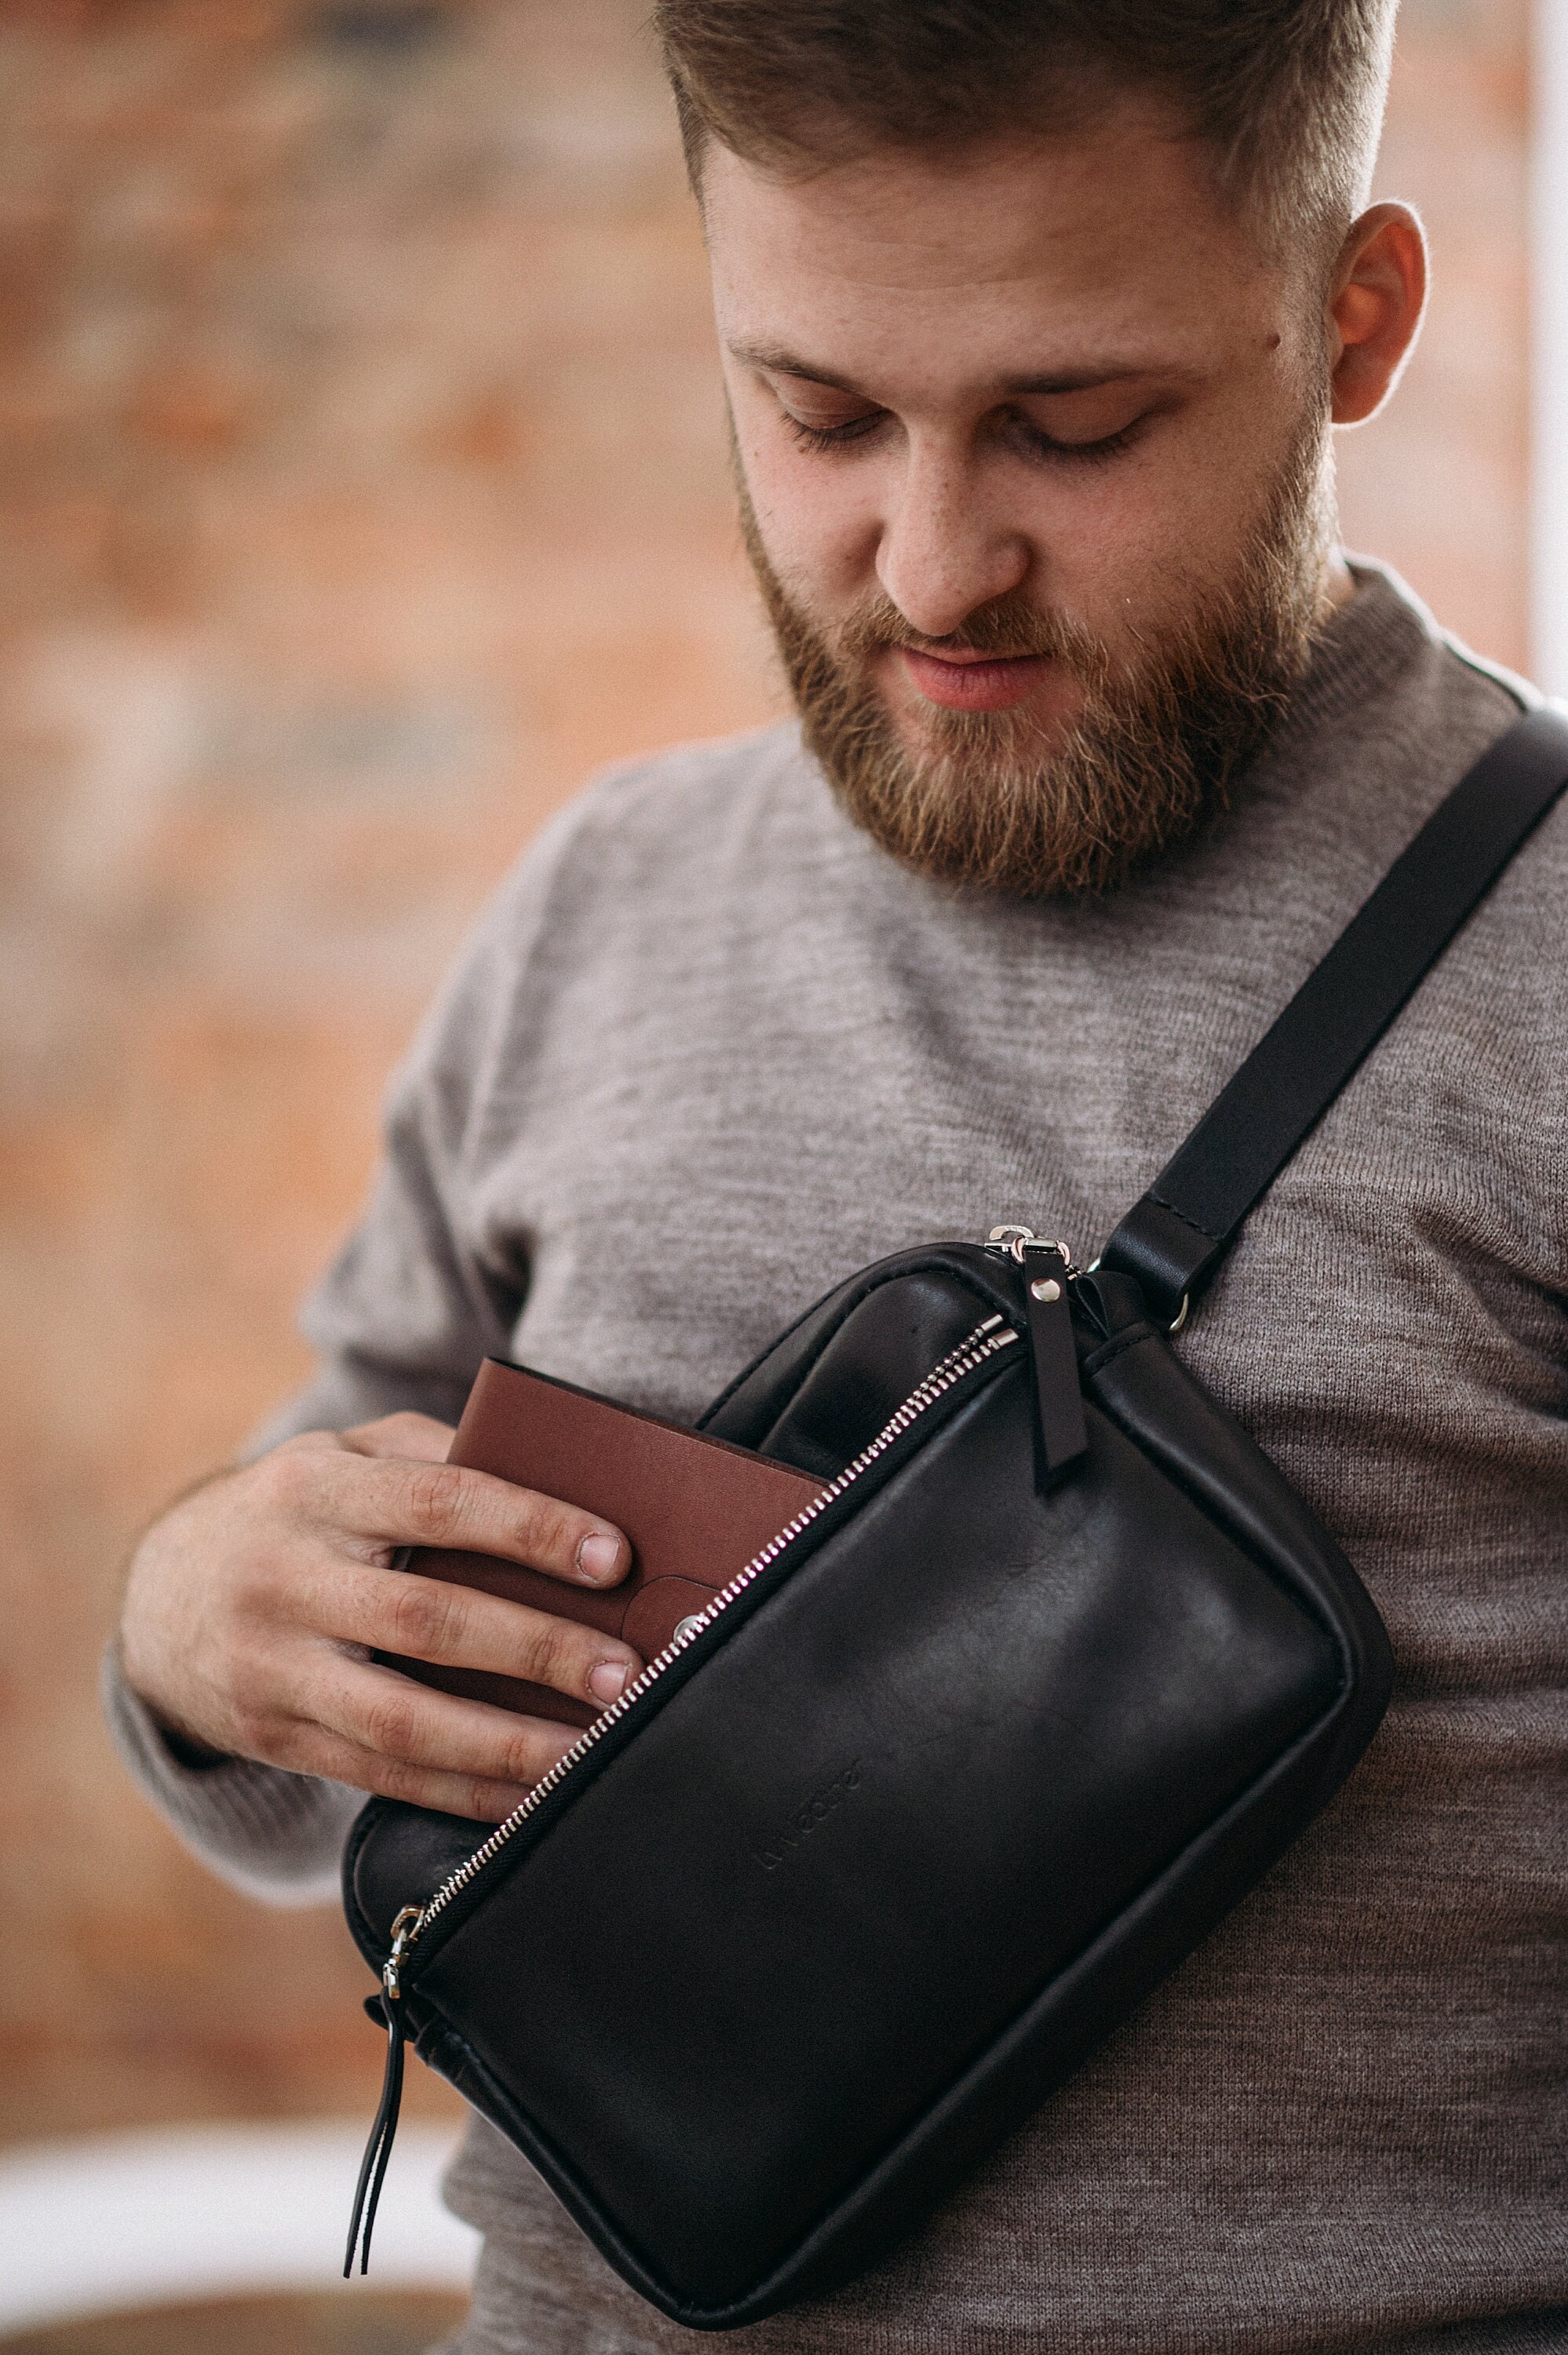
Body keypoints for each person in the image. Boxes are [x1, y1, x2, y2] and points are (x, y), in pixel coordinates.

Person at [107, 3, 1567, 2350]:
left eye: (1074, 425)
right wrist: (199, 1618)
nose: (931, 561)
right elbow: (328, 1633)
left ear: (1352, 321)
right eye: (815, 413)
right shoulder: (601, 898)